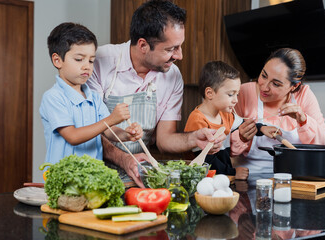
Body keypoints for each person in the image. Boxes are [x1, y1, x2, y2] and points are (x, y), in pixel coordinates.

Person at [87, 0, 225, 187]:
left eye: (180, 46)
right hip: (94, 173)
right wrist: (124, 159)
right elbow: (89, 132)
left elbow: (164, 139)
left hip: (138, 175)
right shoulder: (99, 62)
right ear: (143, 45)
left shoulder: (172, 75)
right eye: (171, 49)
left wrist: (195, 138)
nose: (179, 56)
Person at [40, 22, 143, 164]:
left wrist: (126, 134)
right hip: (63, 179)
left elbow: (109, 131)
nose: (86, 66)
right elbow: (73, 137)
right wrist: (111, 119)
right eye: (79, 59)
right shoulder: (53, 97)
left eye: (91, 61)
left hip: (92, 177)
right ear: (57, 60)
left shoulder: (94, 97)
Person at [230, 48, 325, 173]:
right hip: (250, 178)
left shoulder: (304, 96)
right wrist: (240, 137)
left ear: (294, 86)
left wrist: (304, 120)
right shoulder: (243, 92)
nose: (264, 86)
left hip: (295, 178)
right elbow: (220, 147)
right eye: (263, 75)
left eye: (276, 84)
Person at [184, 61, 280, 180]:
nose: (235, 100)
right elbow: (207, 162)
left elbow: (244, 125)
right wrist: (233, 172)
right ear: (210, 93)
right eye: (230, 95)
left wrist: (262, 128)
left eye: (237, 95)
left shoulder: (226, 115)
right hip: (200, 180)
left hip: (221, 177)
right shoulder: (198, 121)